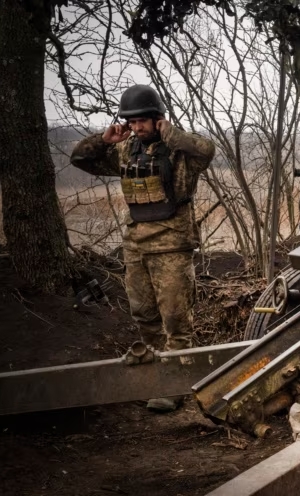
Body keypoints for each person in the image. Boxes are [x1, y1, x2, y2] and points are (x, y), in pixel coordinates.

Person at [71, 85, 216, 412]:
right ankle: (154, 379)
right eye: (131, 122)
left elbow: (206, 150)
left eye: (142, 122)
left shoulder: (179, 153)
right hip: (136, 245)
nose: (136, 127)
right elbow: (80, 158)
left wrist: (172, 134)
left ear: (157, 119)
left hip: (172, 245)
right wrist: (104, 140)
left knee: (176, 319)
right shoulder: (125, 150)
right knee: (145, 316)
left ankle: (175, 385)